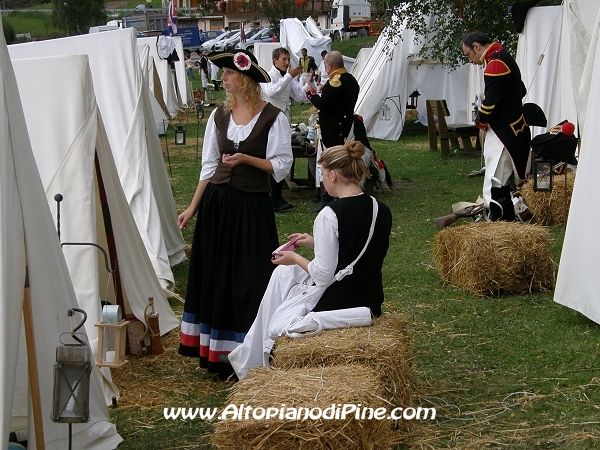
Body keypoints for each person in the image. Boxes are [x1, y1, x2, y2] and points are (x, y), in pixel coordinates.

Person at [226, 141, 393, 379]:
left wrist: (294, 258)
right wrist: (314, 242)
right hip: (369, 296)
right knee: (282, 275)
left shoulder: (330, 214)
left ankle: (253, 358)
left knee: (282, 288)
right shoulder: (380, 209)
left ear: (333, 175)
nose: (322, 181)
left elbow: (323, 274)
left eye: (322, 175)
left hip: (339, 302)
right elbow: (357, 245)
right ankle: (249, 355)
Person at [177, 49, 293, 381]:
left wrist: (245, 160)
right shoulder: (219, 116)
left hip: (251, 209)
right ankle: (218, 356)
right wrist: (192, 207)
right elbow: (208, 167)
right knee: (217, 276)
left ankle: (250, 350)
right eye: (224, 73)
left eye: (228, 73)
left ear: (243, 78)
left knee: (249, 277)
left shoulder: (273, 117)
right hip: (217, 207)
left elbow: (281, 166)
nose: (223, 78)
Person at [461, 31, 531, 221]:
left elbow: (490, 103)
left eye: (469, 54)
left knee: (496, 179)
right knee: (503, 179)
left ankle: (500, 219)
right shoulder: (503, 56)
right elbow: (521, 89)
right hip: (513, 126)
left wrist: (481, 121)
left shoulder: (495, 64)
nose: (470, 59)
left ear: (476, 46)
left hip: (504, 131)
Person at [305, 50, 360, 212]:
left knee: (330, 161)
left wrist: (310, 94)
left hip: (333, 129)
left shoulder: (336, 81)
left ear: (329, 66)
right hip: (346, 126)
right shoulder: (351, 79)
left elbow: (324, 104)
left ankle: (328, 197)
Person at [261, 47, 309, 212]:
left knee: (283, 157)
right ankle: (273, 197)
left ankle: (276, 196)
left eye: (288, 59)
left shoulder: (288, 77)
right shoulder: (267, 76)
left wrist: (311, 86)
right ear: (275, 60)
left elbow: (299, 95)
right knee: (273, 157)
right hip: (270, 123)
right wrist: (289, 76)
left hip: (283, 122)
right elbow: (272, 93)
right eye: (284, 59)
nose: (287, 62)